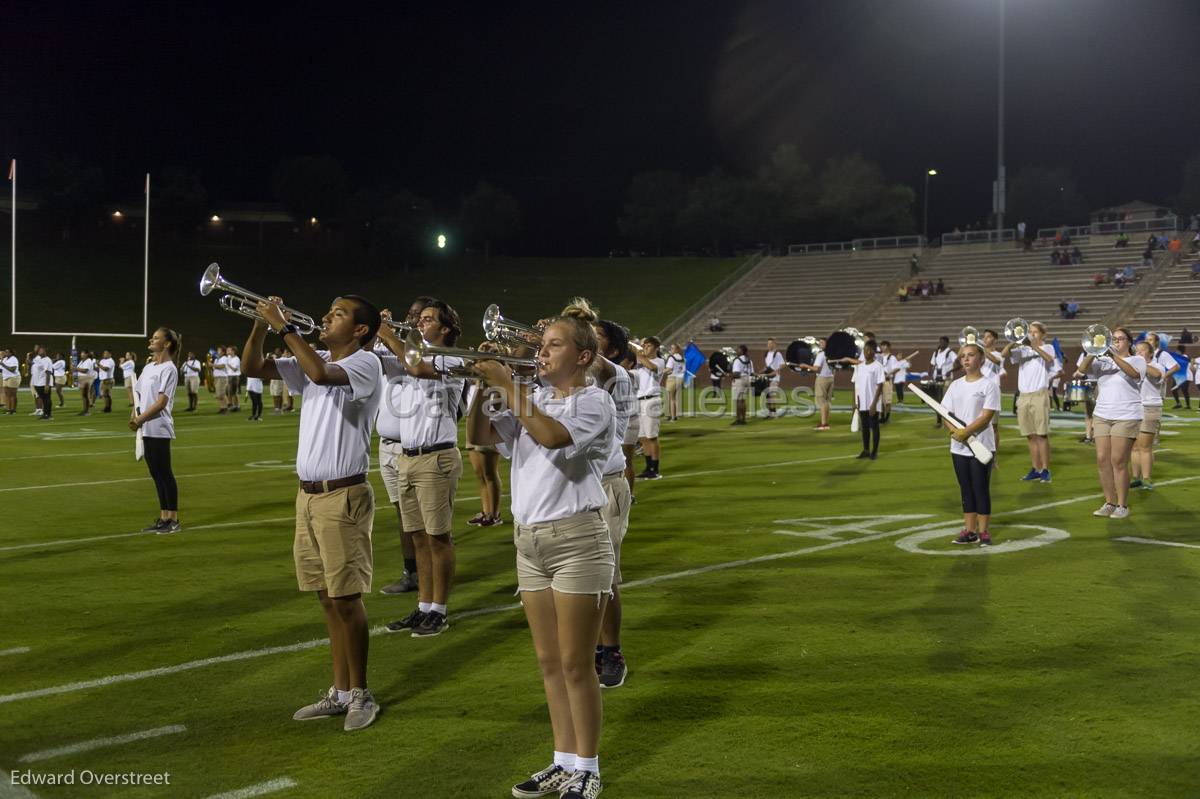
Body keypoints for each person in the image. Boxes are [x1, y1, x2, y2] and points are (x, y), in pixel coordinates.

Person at [466, 309, 617, 799]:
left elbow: (552, 437)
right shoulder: (536, 398)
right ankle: (562, 760)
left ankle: (588, 768)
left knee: (576, 662)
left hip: (578, 540)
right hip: (529, 541)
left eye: (553, 345)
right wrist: (483, 384)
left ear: (584, 356)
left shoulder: (594, 401)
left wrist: (509, 385)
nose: (542, 352)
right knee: (549, 661)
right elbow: (480, 438)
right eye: (542, 344)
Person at [242, 291, 384, 732]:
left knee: (346, 598)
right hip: (307, 496)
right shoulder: (315, 355)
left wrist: (283, 325)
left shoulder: (365, 362)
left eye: (338, 313)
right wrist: (260, 325)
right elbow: (252, 368)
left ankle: (361, 692)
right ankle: (339, 692)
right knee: (326, 597)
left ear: (360, 329)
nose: (326, 316)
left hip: (342, 496)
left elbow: (321, 374)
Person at [377, 299, 465, 638]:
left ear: (444, 329)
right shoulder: (412, 354)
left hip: (436, 458)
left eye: (427, 320)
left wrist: (389, 335)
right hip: (408, 457)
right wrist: (376, 332)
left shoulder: (451, 357)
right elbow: (382, 361)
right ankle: (423, 605)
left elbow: (415, 367)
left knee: (438, 538)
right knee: (417, 538)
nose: (419, 324)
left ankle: (439, 610)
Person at [590, 314, 637, 689]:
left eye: (595, 335)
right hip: (571, 486)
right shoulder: (567, 380)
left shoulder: (618, 376)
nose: (586, 339)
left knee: (605, 577)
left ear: (614, 349)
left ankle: (611, 650)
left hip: (606, 485)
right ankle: (587, 646)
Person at [1078, 328, 1145, 519]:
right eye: (1112, 339)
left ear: (1129, 342)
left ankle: (1122, 505)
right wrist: (1093, 352)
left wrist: (1113, 355)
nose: (1115, 342)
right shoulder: (1102, 361)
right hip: (1102, 414)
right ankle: (1109, 502)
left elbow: (1133, 374)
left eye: (1120, 339)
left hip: (1126, 414)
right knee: (1102, 459)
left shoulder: (1136, 360)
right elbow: (1081, 370)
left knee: (1118, 460)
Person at [942, 344, 1001, 546]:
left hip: (981, 445)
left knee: (980, 488)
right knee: (965, 489)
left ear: (981, 359)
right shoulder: (955, 385)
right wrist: (954, 431)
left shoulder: (989, 385)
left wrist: (965, 432)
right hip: (958, 446)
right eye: (963, 356)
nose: (966, 360)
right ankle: (969, 530)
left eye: (971, 355)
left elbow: (987, 416)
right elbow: (945, 414)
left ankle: (983, 532)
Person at [131, 328, 182, 533]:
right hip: (146, 427)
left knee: (165, 473)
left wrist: (140, 419)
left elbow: (161, 402)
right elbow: (139, 395)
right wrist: (134, 415)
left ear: (167, 344)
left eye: (156, 338)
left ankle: (173, 519)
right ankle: (163, 518)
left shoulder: (169, 369)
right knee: (155, 473)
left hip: (159, 427)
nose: (151, 340)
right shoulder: (149, 367)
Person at [1002, 322, 1055, 482]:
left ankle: (1045, 469)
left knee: (1041, 434)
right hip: (1023, 395)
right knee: (1030, 435)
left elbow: (1049, 359)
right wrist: (1014, 340)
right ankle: (1035, 468)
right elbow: (1004, 354)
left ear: (1042, 335)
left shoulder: (1047, 347)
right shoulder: (1022, 350)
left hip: (1039, 394)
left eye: (1035, 332)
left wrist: (1034, 346)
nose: (1032, 334)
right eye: (1029, 332)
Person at [464, 380, 505, 529]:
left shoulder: (492, 381)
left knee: (489, 473)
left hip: (488, 427)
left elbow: (498, 406)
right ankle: (485, 511)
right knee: (479, 473)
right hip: (472, 426)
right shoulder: (473, 381)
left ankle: (494, 514)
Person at [1129, 339, 1164, 491]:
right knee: (1134, 447)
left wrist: (1141, 364)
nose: (1138, 353)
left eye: (1142, 350)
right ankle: (1136, 478)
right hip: (1134, 407)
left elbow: (1156, 375)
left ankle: (1146, 478)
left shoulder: (1156, 365)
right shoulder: (1134, 367)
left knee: (1144, 446)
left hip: (1150, 408)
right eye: (1136, 350)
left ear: (1150, 353)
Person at [842, 340, 884, 460]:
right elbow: (857, 385)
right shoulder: (859, 367)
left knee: (874, 426)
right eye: (865, 350)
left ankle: (874, 451)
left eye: (869, 350)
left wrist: (874, 404)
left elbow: (880, 385)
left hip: (872, 403)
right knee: (865, 427)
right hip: (862, 403)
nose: (866, 352)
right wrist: (856, 402)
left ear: (874, 351)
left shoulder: (878, 366)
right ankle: (866, 450)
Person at [634, 337, 664, 477]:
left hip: (651, 401)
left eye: (649, 345)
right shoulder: (640, 363)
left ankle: (655, 469)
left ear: (657, 348)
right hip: (639, 400)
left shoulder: (659, 361)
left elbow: (651, 367)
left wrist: (639, 355)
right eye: (644, 345)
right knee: (642, 437)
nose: (645, 347)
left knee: (652, 436)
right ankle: (648, 468)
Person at [794, 338, 832, 430]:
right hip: (831, 378)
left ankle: (823, 424)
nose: (820, 344)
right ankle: (826, 422)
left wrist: (804, 365)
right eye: (820, 342)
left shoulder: (821, 354)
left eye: (822, 342)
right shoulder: (831, 354)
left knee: (821, 402)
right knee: (826, 401)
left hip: (822, 378)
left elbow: (816, 369)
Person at [929, 336, 956, 427]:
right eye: (940, 341)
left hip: (946, 379)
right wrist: (931, 375)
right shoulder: (936, 352)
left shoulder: (950, 353)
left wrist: (950, 371)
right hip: (936, 379)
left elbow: (959, 364)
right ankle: (939, 420)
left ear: (947, 343)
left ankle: (949, 420)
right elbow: (932, 365)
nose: (941, 343)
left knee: (946, 400)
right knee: (937, 400)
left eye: (943, 342)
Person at [761, 338, 785, 418]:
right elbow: (767, 366)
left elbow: (782, 364)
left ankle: (773, 412)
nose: (769, 345)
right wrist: (762, 371)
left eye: (771, 343)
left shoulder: (777, 354)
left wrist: (777, 370)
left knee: (772, 394)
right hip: (768, 376)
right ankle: (770, 412)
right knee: (767, 395)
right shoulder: (766, 353)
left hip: (775, 377)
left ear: (774, 344)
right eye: (768, 343)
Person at [730, 344, 752, 426]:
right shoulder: (749, 360)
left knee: (738, 400)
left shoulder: (737, 360)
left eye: (738, 350)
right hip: (747, 380)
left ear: (742, 351)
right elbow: (751, 372)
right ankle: (743, 419)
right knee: (743, 400)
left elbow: (736, 373)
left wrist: (730, 375)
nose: (737, 351)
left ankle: (738, 419)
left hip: (739, 380)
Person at [29, 346, 53, 421]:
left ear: (45, 351)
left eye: (41, 350)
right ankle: (45, 414)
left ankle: (48, 415)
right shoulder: (39, 359)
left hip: (43, 382)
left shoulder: (47, 360)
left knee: (46, 399)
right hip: (38, 382)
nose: (39, 351)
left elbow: (48, 372)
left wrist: (47, 384)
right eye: (39, 351)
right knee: (43, 399)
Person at [662, 343, 685, 422]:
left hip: (672, 378)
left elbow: (668, 369)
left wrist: (660, 371)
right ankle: (671, 415)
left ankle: (673, 417)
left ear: (676, 349)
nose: (670, 350)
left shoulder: (671, 358)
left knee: (671, 398)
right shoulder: (682, 358)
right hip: (680, 378)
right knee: (674, 398)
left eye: (672, 348)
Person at [878, 341, 898, 422]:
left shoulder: (892, 357)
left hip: (887, 380)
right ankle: (882, 416)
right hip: (879, 380)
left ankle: (887, 417)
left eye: (884, 346)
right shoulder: (879, 356)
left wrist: (888, 374)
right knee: (880, 400)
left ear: (888, 347)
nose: (882, 347)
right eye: (881, 345)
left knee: (887, 400)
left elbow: (896, 368)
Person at [74, 350, 96, 416]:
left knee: (85, 395)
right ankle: (84, 410)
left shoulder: (88, 361)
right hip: (82, 379)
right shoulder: (82, 361)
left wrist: (76, 368)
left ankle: (87, 411)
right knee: (83, 396)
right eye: (81, 353)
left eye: (83, 353)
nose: (81, 354)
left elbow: (85, 370)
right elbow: (79, 369)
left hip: (86, 379)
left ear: (86, 354)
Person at [225, 345, 242, 412]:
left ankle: (236, 406)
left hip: (234, 377)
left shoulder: (236, 359)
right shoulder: (228, 357)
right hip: (229, 376)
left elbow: (235, 369)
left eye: (229, 350)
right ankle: (232, 405)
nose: (227, 351)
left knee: (233, 392)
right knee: (227, 392)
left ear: (233, 351)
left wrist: (228, 364)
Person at [212, 347, 229, 413]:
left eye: (219, 350)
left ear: (223, 352)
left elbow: (222, 366)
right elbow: (215, 368)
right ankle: (222, 408)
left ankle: (225, 408)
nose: (217, 352)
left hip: (222, 377)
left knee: (221, 394)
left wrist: (212, 365)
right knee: (218, 394)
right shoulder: (217, 359)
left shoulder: (224, 358)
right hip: (217, 377)